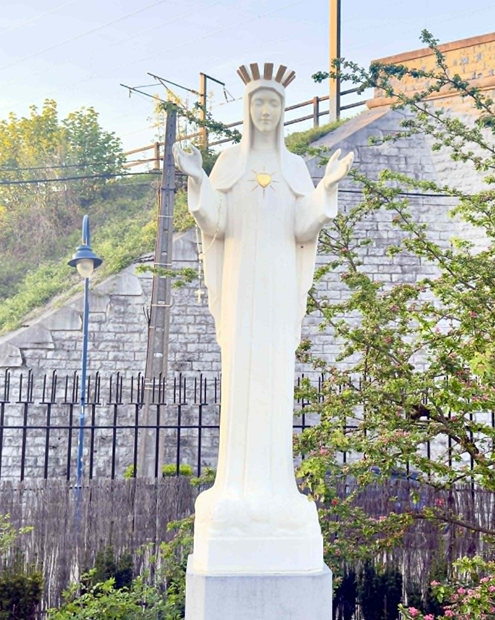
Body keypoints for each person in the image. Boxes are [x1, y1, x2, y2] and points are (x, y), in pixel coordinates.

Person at [173, 62, 353, 573]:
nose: (267, 110)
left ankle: (276, 489)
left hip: (276, 288)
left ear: (283, 109)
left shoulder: (294, 167)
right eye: (259, 103)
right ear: (248, 109)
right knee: (242, 378)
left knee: (274, 380)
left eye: (274, 103)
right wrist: (198, 177)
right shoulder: (230, 161)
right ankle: (235, 486)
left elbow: (302, 227)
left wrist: (326, 187)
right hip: (240, 285)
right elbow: (215, 219)